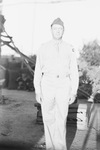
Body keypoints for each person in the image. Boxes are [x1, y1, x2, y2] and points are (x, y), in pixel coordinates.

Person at [34, 18, 79, 150]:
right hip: (47, 83)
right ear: (51, 30)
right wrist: (38, 90)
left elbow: (74, 71)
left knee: (61, 118)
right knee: (48, 118)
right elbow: (37, 71)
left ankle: (60, 147)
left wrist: (73, 91)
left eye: (60, 29)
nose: (57, 31)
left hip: (63, 85)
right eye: (55, 29)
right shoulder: (43, 47)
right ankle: (50, 147)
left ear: (63, 31)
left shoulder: (69, 48)